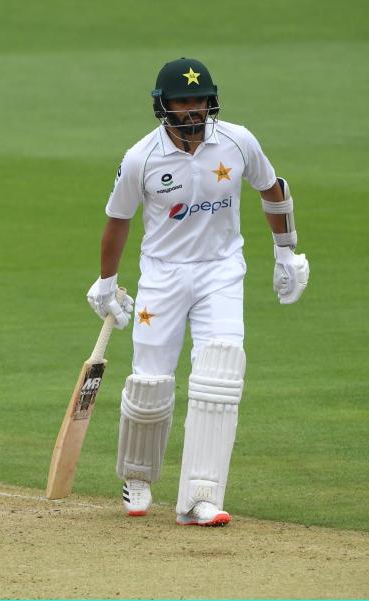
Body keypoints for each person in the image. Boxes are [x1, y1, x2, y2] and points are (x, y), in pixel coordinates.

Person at [86, 57, 309, 527]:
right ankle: (138, 477)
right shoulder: (140, 158)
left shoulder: (237, 141)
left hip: (221, 272)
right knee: (150, 383)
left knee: (220, 376)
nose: (194, 110)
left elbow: (273, 188)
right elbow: (118, 221)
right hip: (163, 276)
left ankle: (200, 497)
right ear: (163, 105)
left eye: (200, 100)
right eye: (184, 101)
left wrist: (286, 252)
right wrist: (106, 282)